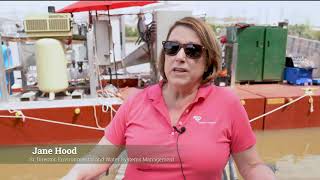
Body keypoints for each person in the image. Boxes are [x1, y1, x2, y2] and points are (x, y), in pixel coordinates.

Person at [63, 17, 276, 180]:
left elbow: (250, 166)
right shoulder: (136, 102)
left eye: (192, 51)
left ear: (208, 60)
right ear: (164, 56)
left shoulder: (227, 105)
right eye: (172, 48)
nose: (180, 57)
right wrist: (71, 176)